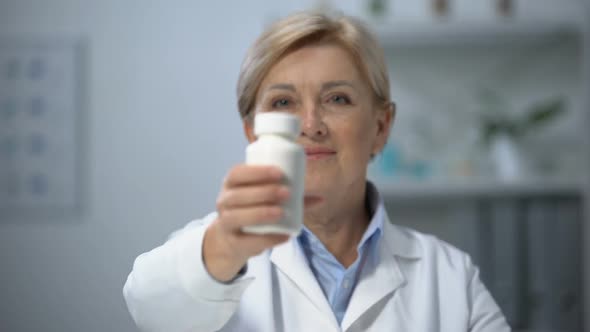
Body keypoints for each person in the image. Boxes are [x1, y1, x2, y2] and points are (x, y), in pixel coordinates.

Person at [123, 11, 510, 332]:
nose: (310, 124)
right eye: (283, 101)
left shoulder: (450, 276)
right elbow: (149, 309)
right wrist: (225, 246)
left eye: (337, 98)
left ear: (380, 127)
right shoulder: (212, 255)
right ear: (253, 133)